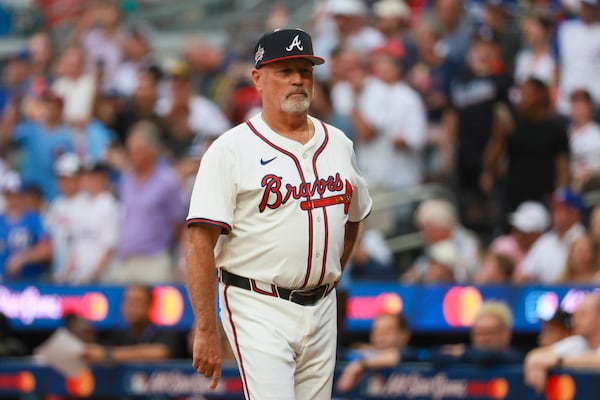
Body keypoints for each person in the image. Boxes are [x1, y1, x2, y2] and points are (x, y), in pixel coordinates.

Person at [185, 28, 372, 399]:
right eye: (285, 71)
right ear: (257, 78)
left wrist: (332, 270)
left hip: (322, 307)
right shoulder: (230, 150)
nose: (298, 79)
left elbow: (355, 216)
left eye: (305, 69)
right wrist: (206, 327)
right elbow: (198, 245)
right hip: (257, 302)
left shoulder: (338, 143)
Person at [106, 120, 186, 284]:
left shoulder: (168, 181)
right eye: (130, 150)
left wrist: (182, 260)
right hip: (125, 260)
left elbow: (179, 224)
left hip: (154, 260)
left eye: (138, 150)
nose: (132, 155)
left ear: (152, 151)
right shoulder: (126, 179)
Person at [82, 284, 181, 363]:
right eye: (128, 302)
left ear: (150, 304)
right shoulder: (117, 335)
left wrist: (108, 355)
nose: (132, 307)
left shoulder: (164, 332)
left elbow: (160, 353)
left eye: (137, 302)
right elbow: (97, 352)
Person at [57, 162, 120, 285]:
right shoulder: (82, 204)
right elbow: (78, 244)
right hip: (80, 277)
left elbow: (110, 247)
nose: (83, 180)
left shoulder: (109, 204)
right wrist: (66, 272)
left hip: (103, 279)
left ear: (100, 178)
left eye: (87, 176)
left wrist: (93, 275)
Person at [524, 294, 600, 393]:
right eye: (575, 315)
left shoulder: (563, 357)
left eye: (583, 314)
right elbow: (535, 355)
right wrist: (535, 365)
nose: (575, 320)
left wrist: (560, 361)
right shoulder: (577, 342)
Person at [335, 312, 418, 393]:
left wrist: (361, 364)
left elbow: (395, 356)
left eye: (387, 331)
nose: (380, 336)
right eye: (376, 331)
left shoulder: (414, 355)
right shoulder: (362, 353)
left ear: (404, 335)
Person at [518, 187, 586, 284]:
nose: (555, 213)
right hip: (547, 296)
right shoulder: (545, 241)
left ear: (575, 213)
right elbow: (526, 273)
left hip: (577, 294)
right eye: (554, 208)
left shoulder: (585, 239)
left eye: (561, 209)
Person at [429, 300, 524, 367]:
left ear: (506, 334)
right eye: (478, 333)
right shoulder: (469, 357)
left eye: (490, 332)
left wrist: (462, 351)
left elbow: (486, 357)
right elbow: (435, 355)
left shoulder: (514, 357)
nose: (483, 339)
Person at [0, 171, 52, 282]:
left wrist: (22, 259)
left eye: (16, 193)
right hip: (3, 284)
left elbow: (46, 249)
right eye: (8, 194)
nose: (12, 198)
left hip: (31, 283)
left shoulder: (34, 219)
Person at [489, 200, 549, 280]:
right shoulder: (502, 245)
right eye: (516, 228)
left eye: (524, 231)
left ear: (538, 234)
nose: (518, 234)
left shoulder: (546, 251)